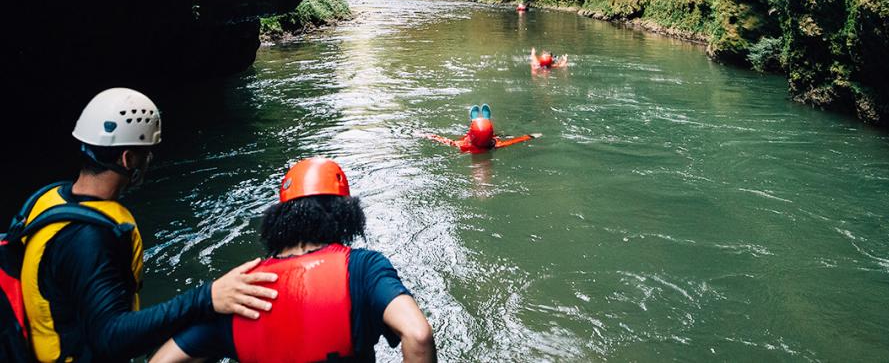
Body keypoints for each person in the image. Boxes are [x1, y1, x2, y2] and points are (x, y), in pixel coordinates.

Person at [16, 88, 278, 363]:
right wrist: (208, 297)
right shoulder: (88, 237)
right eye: (147, 153)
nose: (149, 160)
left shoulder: (49, 199)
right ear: (128, 159)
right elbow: (111, 338)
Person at [148, 157, 436, 363]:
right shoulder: (363, 268)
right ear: (345, 215)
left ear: (282, 218)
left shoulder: (240, 290)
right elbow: (418, 334)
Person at [426, 104, 537, 154]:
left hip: (473, 139)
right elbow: (516, 140)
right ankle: (484, 121)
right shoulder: (495, 145)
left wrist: (427, 135)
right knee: (500, 136)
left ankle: (475, 121)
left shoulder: (463, 145)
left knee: (479, 133)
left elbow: (444, 140)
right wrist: (531, 136)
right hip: (488, 138)